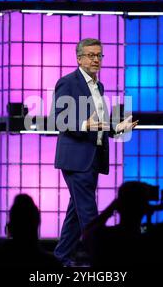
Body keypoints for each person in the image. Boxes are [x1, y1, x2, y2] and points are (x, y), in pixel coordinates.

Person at [51, 38, 138, 266]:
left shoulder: (99, 86)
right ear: (79, 58)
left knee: (75, 212)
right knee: (89, 213)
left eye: (99, 55)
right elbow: (59, 118)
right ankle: (103, 260)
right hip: (75, 158)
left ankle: (61, 257)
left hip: (93, 156)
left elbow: (98, 124)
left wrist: (116, 128)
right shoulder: (67, 82)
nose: (96, 59)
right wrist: (83, 124)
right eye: (90, 55)